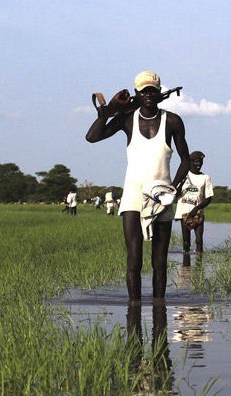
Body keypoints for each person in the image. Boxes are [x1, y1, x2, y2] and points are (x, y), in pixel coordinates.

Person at [86, 70, 191, 302]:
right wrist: (106, 112)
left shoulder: (172, 121)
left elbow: (185, 159)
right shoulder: (127, 119)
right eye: (144, 91)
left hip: (162, 197)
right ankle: (134, 308)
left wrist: (173, 188)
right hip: (133, 197)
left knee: (159, 261)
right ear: (137, 93)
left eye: (152, 90)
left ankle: (158, 306)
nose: (148, 95)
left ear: (159, 92)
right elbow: (92, 137)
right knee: (134, 258)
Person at [174, 151, 214, 253]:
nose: (198, 165)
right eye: (196, 162)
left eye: (200, 162)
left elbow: (209, 198)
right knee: (186, 243)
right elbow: (176, 195)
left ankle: (199, 266)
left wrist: (196, 209)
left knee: (199, 241)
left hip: (197, 213)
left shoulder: (205, 177)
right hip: (184, 214)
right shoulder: (184, 175)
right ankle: (186, 267)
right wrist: (181, 184)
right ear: (190, 162)